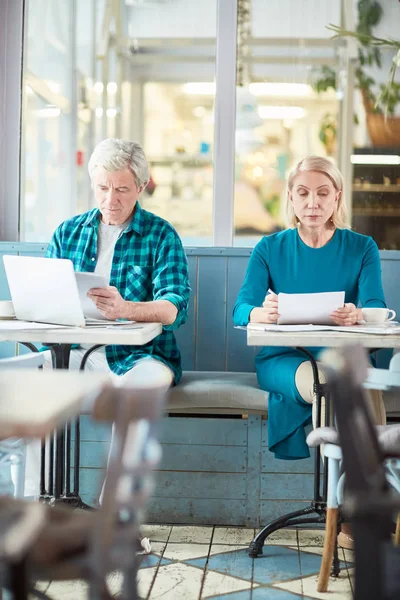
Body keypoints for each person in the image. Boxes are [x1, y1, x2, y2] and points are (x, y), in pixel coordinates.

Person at [233, 155, 386, 463]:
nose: (312, 203)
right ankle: (341, 492)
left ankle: (367, 481)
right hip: (287, 358)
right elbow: (240, 309)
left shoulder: (362, 247)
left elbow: (376, 307)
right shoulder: (269, 248)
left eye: (323, 193)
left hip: (343, 355)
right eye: (303, 193)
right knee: (330, 384)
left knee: (362, 382)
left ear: (337, 196)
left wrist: (358, 314)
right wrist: (262, 313)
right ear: (291, 197)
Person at [42, 138, 190, 391]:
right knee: (20, 379)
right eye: (102, 188)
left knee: (139, 390)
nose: (110, 200)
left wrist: (124, 309)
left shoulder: (161, 235)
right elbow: (46, 298)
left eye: (121, 190)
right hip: (72, 352)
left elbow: (173, 310)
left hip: (139, 358)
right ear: (92, 184)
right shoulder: (67, 233)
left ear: (141, 187)